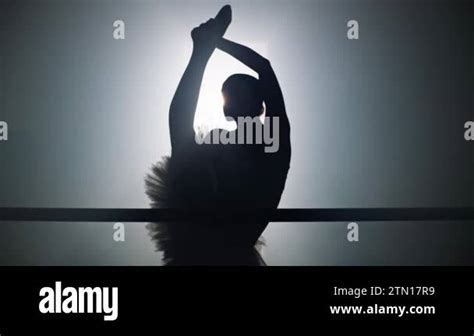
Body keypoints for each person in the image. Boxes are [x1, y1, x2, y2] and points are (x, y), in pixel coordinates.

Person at [145, 5, 291, 265]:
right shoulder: (215, 144)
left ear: (260, 105)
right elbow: (179, 128)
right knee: (187, 145)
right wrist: (206, 46)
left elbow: (264, 69)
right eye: (227, 92)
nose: (230, 96)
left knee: (188, 144)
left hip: (231, 241)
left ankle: (201, 50)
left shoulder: (272, 142)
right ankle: (200, 51)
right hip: (200, 240)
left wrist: (215, 42)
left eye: (237, 90)